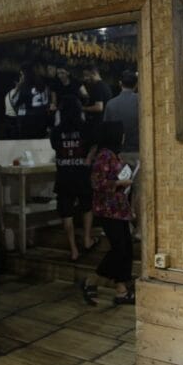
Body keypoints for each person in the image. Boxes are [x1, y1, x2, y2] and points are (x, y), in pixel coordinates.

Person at [81, 121, 135, 306]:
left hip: (119, 209)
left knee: (126, 249)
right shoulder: (104, 155)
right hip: (108, 210)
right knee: (119, 249)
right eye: (121, 133)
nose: (123, 136)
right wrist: (120, 183)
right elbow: (97, 183)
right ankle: (91, 280)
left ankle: (122, 291)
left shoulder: (113, 154)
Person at [49, 95, 99, 262]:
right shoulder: (86, 127)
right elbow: (95, 143)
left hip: (64, 175)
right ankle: (87, 239)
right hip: (82, 174)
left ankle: (73, 250)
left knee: (66, 212)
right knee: (87, 206)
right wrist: (88, 158)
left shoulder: (56, 131)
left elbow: (55, 147)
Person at [103, 70, 140, 238]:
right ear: (136, 84)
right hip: (139, 152)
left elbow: (106, 131)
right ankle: (140, 230)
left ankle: (125, 227)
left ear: (120, 84)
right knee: (139, 191)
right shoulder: (141, 101)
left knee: (121, 191)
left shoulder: (111, 104)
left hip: (119, 155)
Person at [4, 62, 51, 139]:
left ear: (27, 75)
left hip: (29, 122)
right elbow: (47, 103)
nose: (21, 77)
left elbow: (15, 102)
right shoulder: (43, 86)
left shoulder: (25, 87)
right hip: (43, 121)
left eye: (22, 75)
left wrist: (18, 88)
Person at [81, 64, 112, 132]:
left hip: (97, 124)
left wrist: (83, 108)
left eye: (86, 75)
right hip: (104, 122)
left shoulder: (97, 87)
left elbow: (99, 107)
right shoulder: (105, 86)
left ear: (94, 73)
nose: (85, 78)